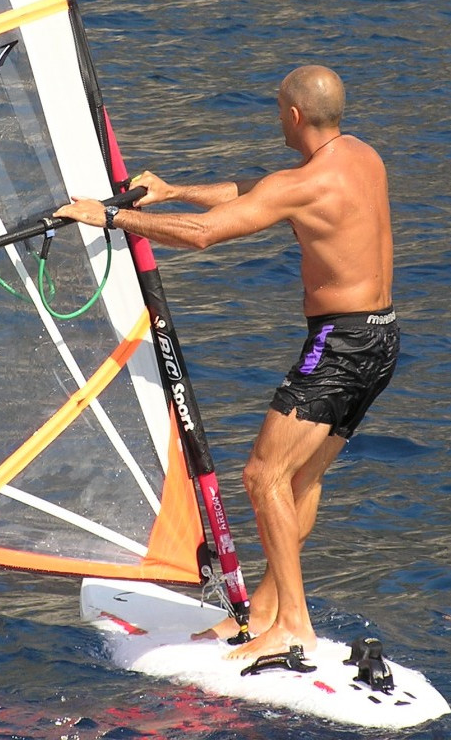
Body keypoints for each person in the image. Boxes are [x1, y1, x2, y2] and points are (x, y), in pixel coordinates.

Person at [55, 64, 398, 660]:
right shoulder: (360, 158)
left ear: (292, 115)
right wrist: (172, 190)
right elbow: (258, 193)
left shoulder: (303, 185)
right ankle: (268, 606)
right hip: (381, 341)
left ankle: (293, 624)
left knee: (261, 477)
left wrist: (109, 216)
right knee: (299, 479)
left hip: (337, 346)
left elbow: (204, 235)